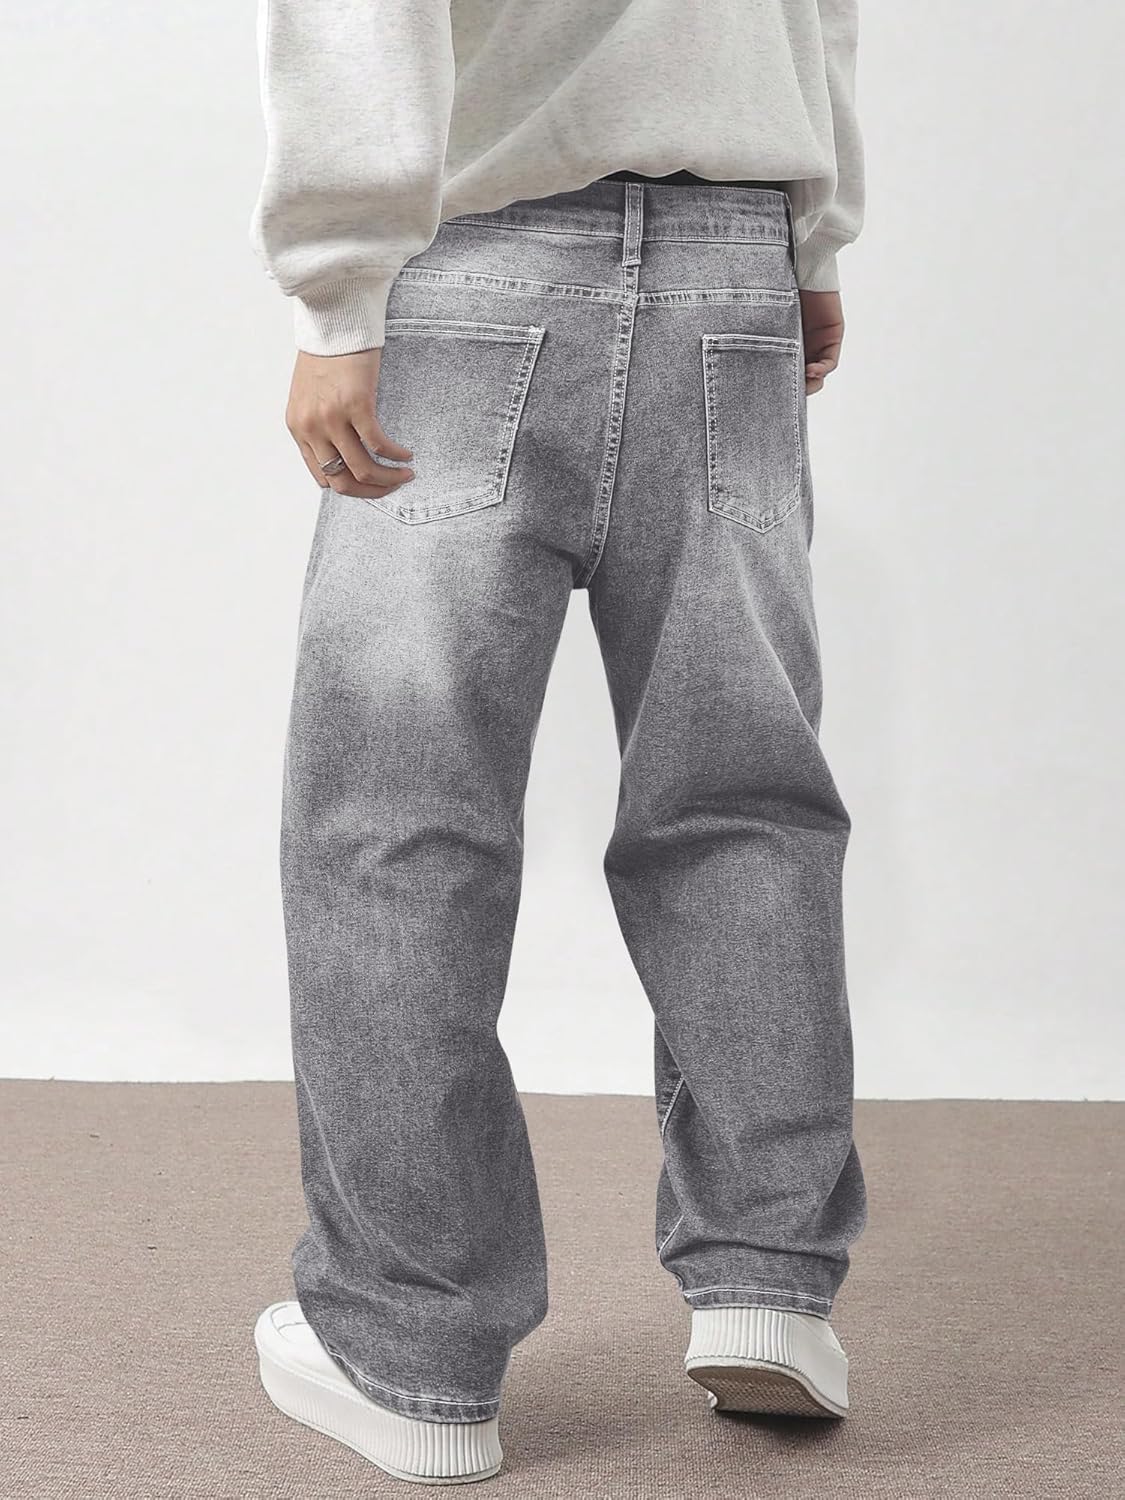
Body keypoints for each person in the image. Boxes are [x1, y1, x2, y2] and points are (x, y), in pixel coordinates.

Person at [249, 0, 868, 1484]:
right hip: (736, 266)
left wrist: (338, 296)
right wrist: (811, 239)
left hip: (478, 268)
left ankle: (413, 1349)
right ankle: (766, 1283)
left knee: (398, 825)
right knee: (742, 802)